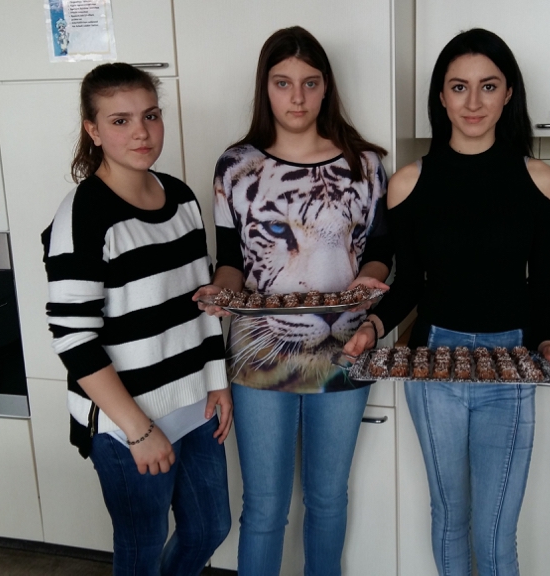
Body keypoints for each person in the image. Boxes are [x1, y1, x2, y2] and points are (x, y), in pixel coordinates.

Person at [343, 28, 550, 575]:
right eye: (459, 86)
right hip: (433, 364)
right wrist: (372, 327)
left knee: (495, 531)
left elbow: (542, 280)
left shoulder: (540, 180)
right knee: (449, 517)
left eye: (488, 86)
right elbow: (410, 285)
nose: (473, 101)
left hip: (510, 363)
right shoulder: (409, 182)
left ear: (508, 94)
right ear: (441, 97)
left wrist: (549, 340)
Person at [192, 27, 392, 576]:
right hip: (260, 352)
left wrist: (366, 282)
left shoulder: (367, 164)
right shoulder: (236, 166)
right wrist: (223, 292)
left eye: (310, 83)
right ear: (266, 88)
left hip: (347, 347)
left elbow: (380, 251)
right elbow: (231, 258)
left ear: (327, 87)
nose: (297, 97)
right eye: (283, 83)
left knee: (328, 499)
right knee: (264, 508)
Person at [42, 62, 232, 575]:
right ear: (93, 130)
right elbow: (73, 338)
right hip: (127, 421)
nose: (141, 132)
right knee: (142, 548)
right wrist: (138, 430)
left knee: (210, 528)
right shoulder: (83, 215)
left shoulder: (182, 197)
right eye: (120, 120)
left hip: (194, 404)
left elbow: (201, 303)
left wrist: (217, 381)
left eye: (150, 115)